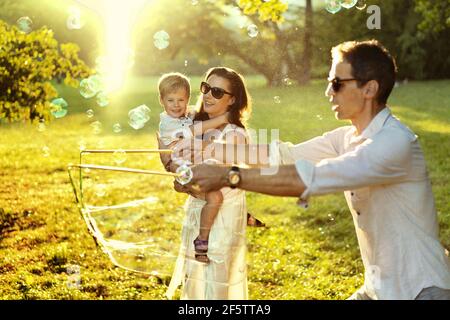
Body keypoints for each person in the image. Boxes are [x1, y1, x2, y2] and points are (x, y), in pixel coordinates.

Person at [176, 40, 450, 300]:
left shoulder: (394, 143)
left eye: (336, 83)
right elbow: (283, 155)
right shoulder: (344, 138)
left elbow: (309, 178)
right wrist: (206, 151)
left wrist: (228, 177)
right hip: (377, 289)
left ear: (369, 89)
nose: (328, 91)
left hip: (421, 290)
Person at [161, 67, 252, 299]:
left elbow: (213, 171)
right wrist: (177, 174)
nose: (209, 95)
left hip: (223, 215)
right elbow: (175, 153)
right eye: (206, 88)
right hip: (199, 210)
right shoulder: (192, 123)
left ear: (232, 100)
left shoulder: (235, 134)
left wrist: (189, 181)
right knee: (196, 277)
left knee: (215, 277)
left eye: (218, 92)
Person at [157, 72, 230, 264]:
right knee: (216, 197)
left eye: (181, 99)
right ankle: (202, 242)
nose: (176, 105)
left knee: (218, 196)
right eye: (170, 100)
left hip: (195, 167)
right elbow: (193, 131)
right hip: (185, 170)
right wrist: (221, 119)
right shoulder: (167, 123)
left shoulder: (187, 114)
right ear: (161, 101)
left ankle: (202, 240)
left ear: (188, 100)